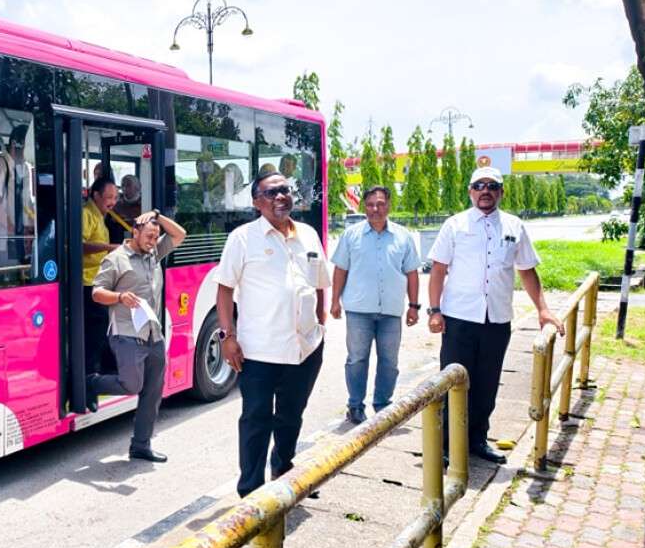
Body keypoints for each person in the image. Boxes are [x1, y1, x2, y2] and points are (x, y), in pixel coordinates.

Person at [428, 167, 564, 464]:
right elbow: (438, 270)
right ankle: (445, 445)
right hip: (459, 318)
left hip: (497, 320)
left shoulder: (514, 226)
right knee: (452, 383)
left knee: (487, 384)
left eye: (492, 185)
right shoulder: (455, 225)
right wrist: (434, 311)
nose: (485, 190)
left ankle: (477, 439)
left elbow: (527, 271)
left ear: (501, 191)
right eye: (479, 185)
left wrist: (543, 309)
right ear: (470, 191)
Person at [215, 171, 330, 497]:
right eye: (271, 193)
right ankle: (250, 491)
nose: (280, 197)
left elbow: (319, 282)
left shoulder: (308, 234)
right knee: (256, 419)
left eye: (285, 190)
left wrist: (321, 324)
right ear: (256, 202)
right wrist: (228, 337)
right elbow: (224, 291)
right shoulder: (242, 238)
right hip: (259, 351)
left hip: (305, 348)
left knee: (292, 415)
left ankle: (283, 466)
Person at [86, 211, 187, 461]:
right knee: (133, 385)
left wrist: (156, 216)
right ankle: (90, 383)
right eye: (149, 236)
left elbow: (180, 234)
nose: (153, 241)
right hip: (126, 334)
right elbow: (97, 293)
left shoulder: (152, 254)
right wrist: (120, 297)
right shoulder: (116, 259)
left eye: (156, 237)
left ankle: (141, 445)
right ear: (135, 232)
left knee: (153, 393)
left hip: (153, 334)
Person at [330, 185, 421, 424]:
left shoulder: (403, 236)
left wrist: (414, 306)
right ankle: (355, 406)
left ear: (389, 205)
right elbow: (341, 269)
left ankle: (383, 405)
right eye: (370, 204)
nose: (375, 209)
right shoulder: (351, 236)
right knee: (357, 359)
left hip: (391, 311)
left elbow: (412, 273)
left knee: (389, 361)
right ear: (364, 207)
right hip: (359, 310)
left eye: (380, 204)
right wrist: (334, 301)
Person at [0, 123, 35, 265]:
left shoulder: (26, 167)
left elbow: (26, 200)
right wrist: (12, 229)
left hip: (23, 238)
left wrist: (32, 225)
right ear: (16, 144)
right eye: (28, 148)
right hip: (2, 238)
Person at [81, 176, 119, 379]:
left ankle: (103, 368)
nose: (112, 202)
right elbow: (79, 246)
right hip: (87, 283)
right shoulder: (86, 214)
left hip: (98, 281)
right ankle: (91, 374)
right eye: (109, 197)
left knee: (104, 327)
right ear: (95, 195)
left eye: (115, 197)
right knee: (96, 331)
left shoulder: (100, 216)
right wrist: (109, 248)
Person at [107, 174, 142, 244]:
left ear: (137, 187)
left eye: (128, 185)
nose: (125, 188)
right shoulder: (116, 204)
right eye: (123, 185)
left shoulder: (145, 203)